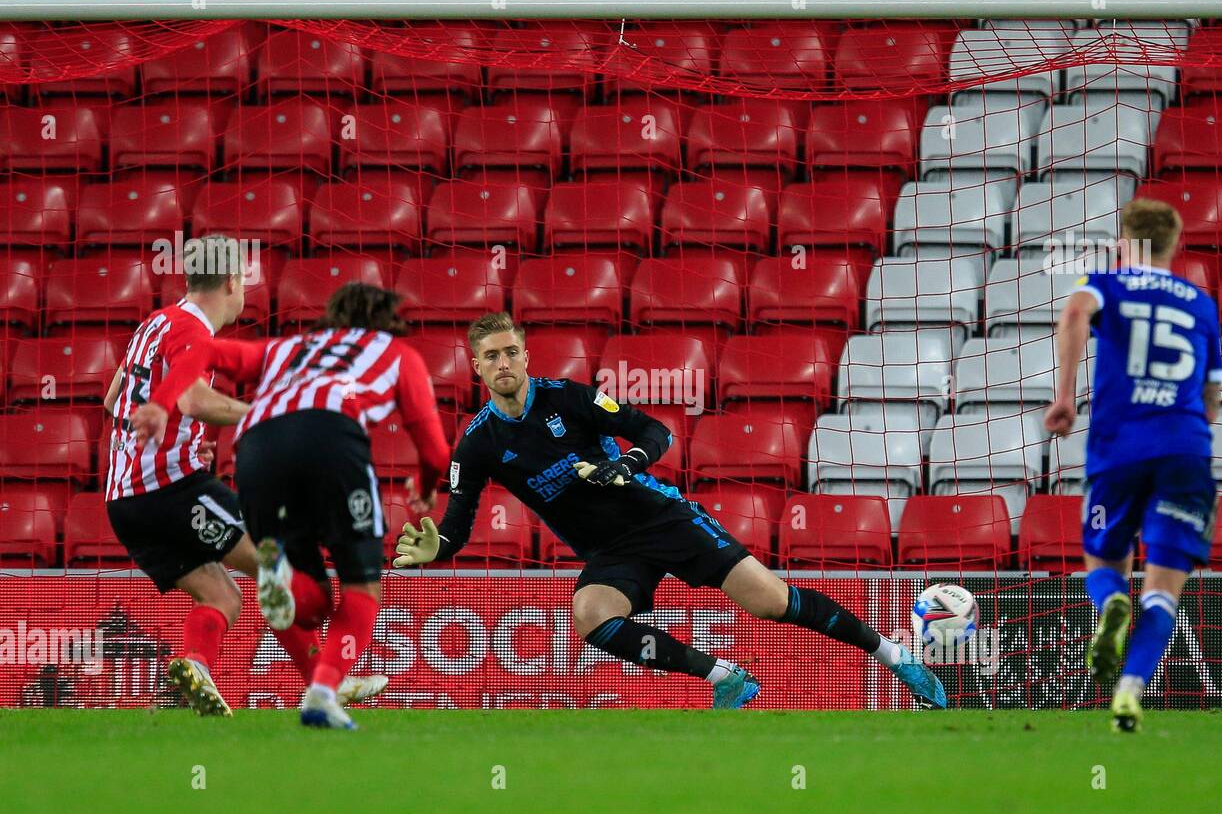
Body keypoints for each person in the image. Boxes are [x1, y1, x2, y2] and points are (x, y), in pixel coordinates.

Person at [393, 312, 946, 710]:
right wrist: (437, 547)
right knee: (590, 612)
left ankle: (893, 653)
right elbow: (458, 527)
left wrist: (626, 465)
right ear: (476, 367)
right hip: (611, 550)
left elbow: (652, 431)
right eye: (492, 356)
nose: (504, 362)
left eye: (512, 351)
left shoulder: (570, 398)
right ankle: (724, 676)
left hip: (659, 517)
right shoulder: (478, 443)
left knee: (770, 601)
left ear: (525, 355)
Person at [131, 281, 451, 730]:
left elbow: (203, 353)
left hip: (257, 447)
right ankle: (321, 694)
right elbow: (437, 453)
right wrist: (428, 484)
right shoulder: (398, 355)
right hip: (332, 440)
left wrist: (162, 404)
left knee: (311, 598)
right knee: (361, 589)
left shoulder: (289, 348)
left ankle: (284, 582)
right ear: (386, 322)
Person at [105, 236, 388, 715]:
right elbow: (192, 400)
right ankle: (324, 681)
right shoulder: (189, 328)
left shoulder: (152, 325)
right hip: (169, 488)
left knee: (225, 595)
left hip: (124, 500)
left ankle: (193, 667)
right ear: (233, 283)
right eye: (245, 283)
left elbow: (114, 399)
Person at [1045, 198, 1222, 732]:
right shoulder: (1200, 301)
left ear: (1125, 241)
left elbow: (1075, 311)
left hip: (1119, 450)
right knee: (1165, 590)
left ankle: (1110, 607)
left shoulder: (1108, 283)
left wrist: (1065, 397)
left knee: (1103, 565)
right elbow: (1212, 395)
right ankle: (1129, 691)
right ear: (1175, 244)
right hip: (1185, 450)